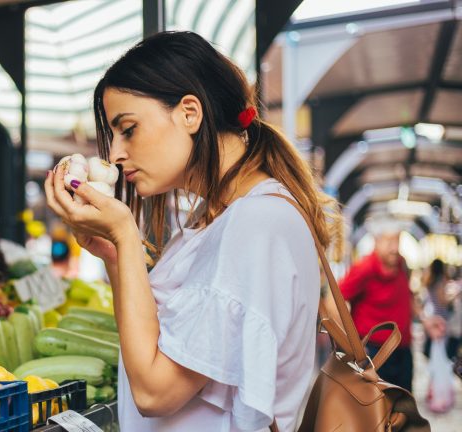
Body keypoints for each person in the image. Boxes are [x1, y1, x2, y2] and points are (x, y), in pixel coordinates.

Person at [44, 31, 338, 431]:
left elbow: (155, 392)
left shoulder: (254, 224)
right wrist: (114, 253)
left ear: (189, 113)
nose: (115, 153)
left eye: (127, 128)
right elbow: (161, 342)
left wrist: (127, 234)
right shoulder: (217, 218)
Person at [335, 225, 445, 392]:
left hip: (403, 351)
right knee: (375, 411)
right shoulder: (364, 268)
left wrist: (425, 320)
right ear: (376, 241)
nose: (394, 247)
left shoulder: (401, 264)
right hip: (373, 353)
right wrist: (348, 343)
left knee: (403, 407)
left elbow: (407, 297)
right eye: (389, 241)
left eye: (397, 240)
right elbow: (335, 300)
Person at [422, 259, 460, 361]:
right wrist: (455, 296)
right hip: (441, 316)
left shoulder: (430, 279)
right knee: (441, 345)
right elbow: (442, 300)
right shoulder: (440, 280)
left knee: (435, 345)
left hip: (433, 313)